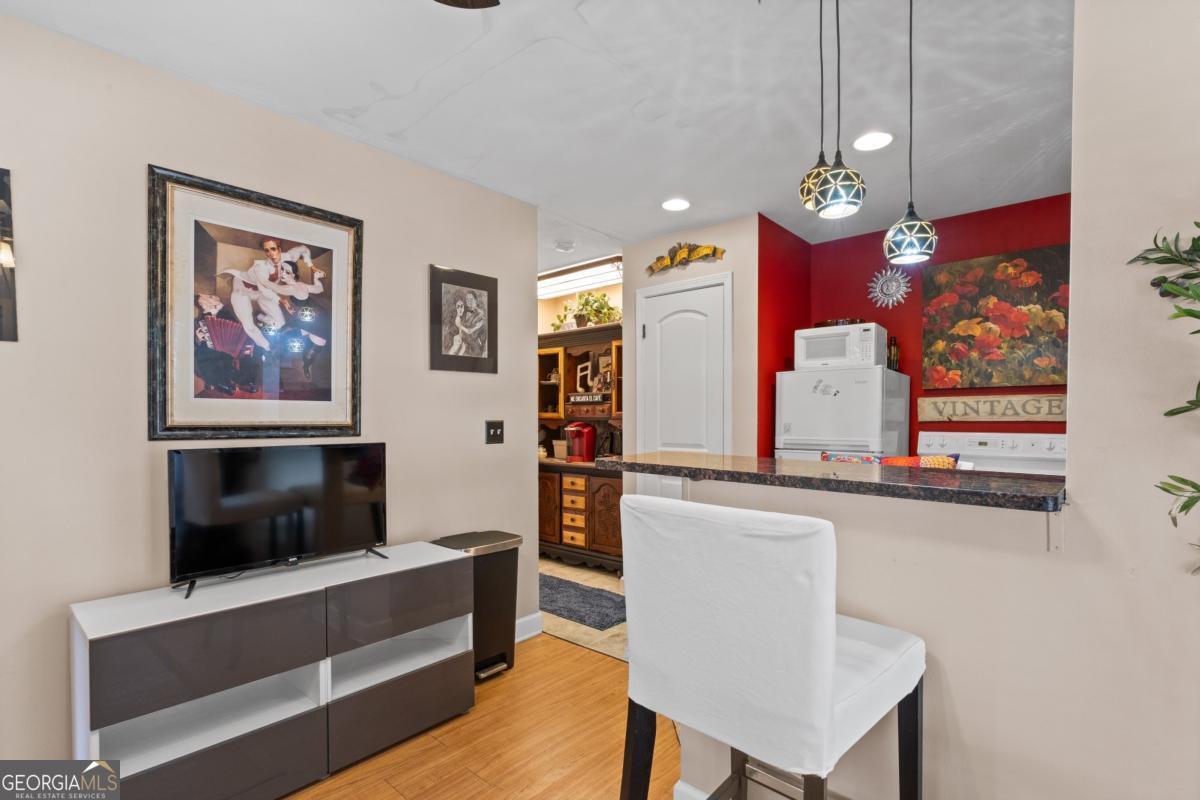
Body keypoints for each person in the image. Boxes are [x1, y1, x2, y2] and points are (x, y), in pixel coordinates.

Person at [219, 238, 314, 350]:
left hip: (262, 292)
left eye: (273, 249)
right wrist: (282, 301)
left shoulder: (287, 258)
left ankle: (261, 317)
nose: (270, 253)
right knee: (248, 325)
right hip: (242, 290)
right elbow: (264, 289)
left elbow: (303, 248)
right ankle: (267, 347)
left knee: (281, 323)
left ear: (279, 249)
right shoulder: (260, 267)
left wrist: (311, 265)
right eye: (267, 250)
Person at [459, 291, 487, 357]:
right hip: (463, 344)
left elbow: (485, 334)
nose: (469, 301)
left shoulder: (481, 314)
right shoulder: (464, 313)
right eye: (467, 299)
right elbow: (461, 329)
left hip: (475, 348)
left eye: (471, 299)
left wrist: (485, 350)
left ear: (476, 300)